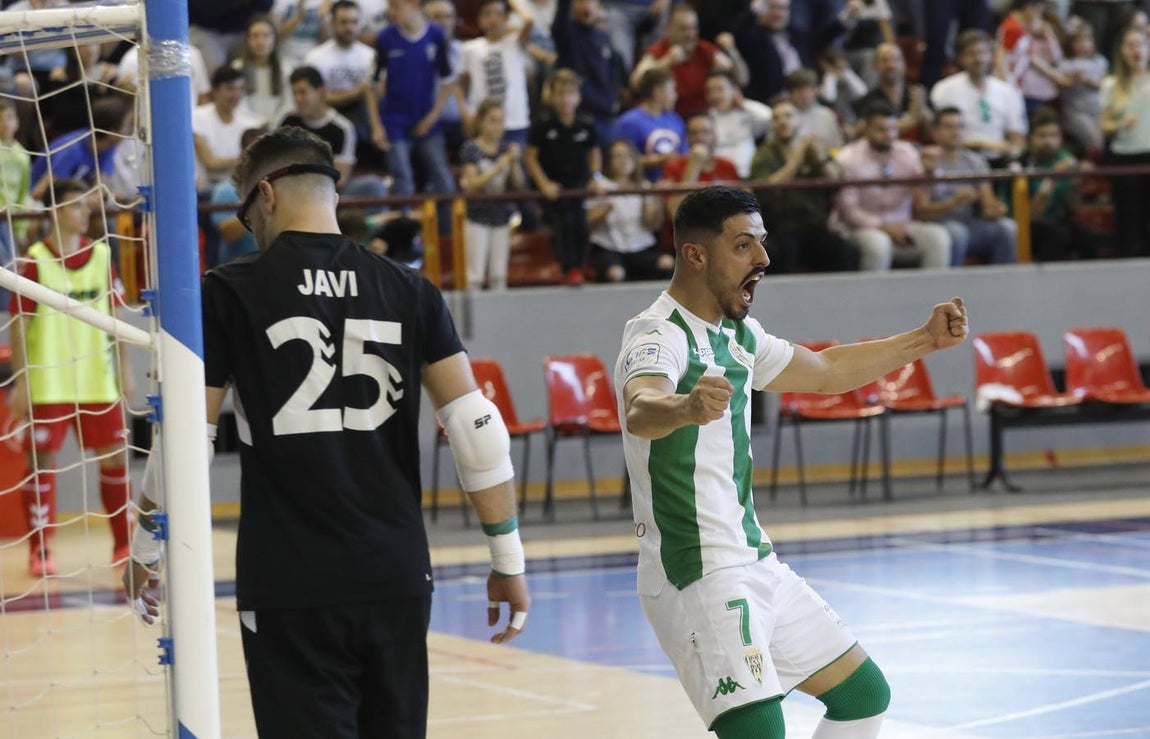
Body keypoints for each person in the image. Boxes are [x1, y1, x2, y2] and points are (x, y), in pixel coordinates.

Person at [123, 126, 531, 735]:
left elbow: (185, 441)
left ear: (266, 194)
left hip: (290, 581)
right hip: (395, 573)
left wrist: (145, 546)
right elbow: (477, 428)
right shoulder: (410, 288)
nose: (248, 228)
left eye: (246, 214)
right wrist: (508, 559)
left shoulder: (228, 291)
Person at [613, 184, 968, 739]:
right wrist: (684, 407)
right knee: (760, 730)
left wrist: (923, 340)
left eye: (762, 242)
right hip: (697, 569)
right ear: (695, 255)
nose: (762, 258)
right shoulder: (658, 333)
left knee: (862, 695)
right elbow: (641, 407)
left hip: (753, 558)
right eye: (743, 245)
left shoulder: (737, 335)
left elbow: (826, 372)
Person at [8, 178, 134, 577]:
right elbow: (18, 324)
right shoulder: (33, 260)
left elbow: (116, 319)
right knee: (41, 463)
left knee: (115, 459)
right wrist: (21, 381)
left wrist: (125, 371)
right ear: (56, 211)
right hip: (49, 381)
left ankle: (123, 544)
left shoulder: (101, 254)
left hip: (96, 379)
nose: (86, 211)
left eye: (86, 204)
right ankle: (40, 550)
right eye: (77, 205)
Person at [834, 103, 952, 271]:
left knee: (938, 237)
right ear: (866, 129)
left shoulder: (907, 152)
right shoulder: (847, 158)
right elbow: (848, 210)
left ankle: (933, 288)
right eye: (881, 129)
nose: (888, 135)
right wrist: (883, 227)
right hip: (861, 228)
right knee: (879, 244)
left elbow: (936, 192)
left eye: (893, 129)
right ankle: (874, 289)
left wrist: (930, 172)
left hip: (902, 223)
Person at [748, 97, 860, 274]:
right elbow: (766, 189)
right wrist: (796, 160)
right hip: (780, 228)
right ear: (772, 125)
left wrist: (820, 158)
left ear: (798, 121)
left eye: (788, 116)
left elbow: (836, 181)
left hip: (814, 226)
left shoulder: (813, 149)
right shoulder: (764, 154)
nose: (783, 122)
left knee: (847, 251)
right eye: (777, 118)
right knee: (781, 252)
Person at [525, 69, 602, 285]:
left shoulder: (586, 123)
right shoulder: (542, 124)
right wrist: (543, 184)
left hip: (579, 185)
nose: (565, 99)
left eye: (570, 93)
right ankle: (568, 268)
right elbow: (530, 157)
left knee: (581, 223)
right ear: (551, 96)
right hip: (554, 187)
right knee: (564, 222)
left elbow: (594, 152)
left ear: (578, 96)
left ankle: (581, 266)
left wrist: (595, 177)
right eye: (560, 93)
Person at [916, 108, 1017, 266]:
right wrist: (953, 202)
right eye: (949, 127)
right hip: (938, 225)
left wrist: (996, 209)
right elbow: (920, 212)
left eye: (960, 126)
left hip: (971, 224)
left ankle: (1002, 279)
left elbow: (988, 205)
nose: (955, 132)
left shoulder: (975, 161)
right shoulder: (926, 160)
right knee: (958, 233)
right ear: (935, 132)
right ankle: (953, 282)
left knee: (1008, 227)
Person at [930, 29, 1028, 167]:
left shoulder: (1008, 92)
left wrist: (1013, 153)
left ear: (991, 56)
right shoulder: (944, 89)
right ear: (960, 58)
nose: (979, 59)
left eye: (983, 53)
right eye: (972, 54)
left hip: (1000, 160)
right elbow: (940, 136)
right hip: (958, 160)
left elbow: (1017, 137)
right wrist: (983, 144)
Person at [630, 3, 749, 118]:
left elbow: (741, 78)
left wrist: (732, 51)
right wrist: (667, 61)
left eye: (693, 28)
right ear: (668, 29)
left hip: (702, 120)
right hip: (669, 120)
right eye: (683, 29)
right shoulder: (658, 51)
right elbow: (636, 82)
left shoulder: (704, 50)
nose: (690, 34)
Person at [460, 97, 525, 290]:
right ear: (481, 121)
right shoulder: (471, 148)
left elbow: (519, 186)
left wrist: (515, 163)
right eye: (492, 120)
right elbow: (472, 185)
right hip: (477, 217)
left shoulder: (507, 148)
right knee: (475, 275)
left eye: (501, 121)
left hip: (502, 217)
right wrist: (498, 167)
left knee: (499, 276)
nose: (497, 126)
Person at [587, 139, 669, 282]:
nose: (623, 160)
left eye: (627, 155)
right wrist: (607, 204)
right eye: (618, 156)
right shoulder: (600, 186)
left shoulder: (644, 186)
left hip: (641, 246)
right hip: (609, 247)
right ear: (609, 160)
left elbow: (652, 224)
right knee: (616, 273)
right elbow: (588, 223)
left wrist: (654, 203)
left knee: (666, 263)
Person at [1100, 26, 1150, 258]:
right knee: (1128, 219)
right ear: (1121, 50)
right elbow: (1105, 126)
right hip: (1123, 158)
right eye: (1130, 45)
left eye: (1140, 44)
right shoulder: (1111, 84)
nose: (1135, 50)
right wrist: (1121, 124)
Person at [612, 67, 687, 181]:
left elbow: (684, 155)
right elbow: (622, 161)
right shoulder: (630, 122)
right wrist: (657, 160)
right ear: (657, 92)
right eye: (672, 90)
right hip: (642, 185)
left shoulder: (676, 120)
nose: (675, 96)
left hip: (673, 184)